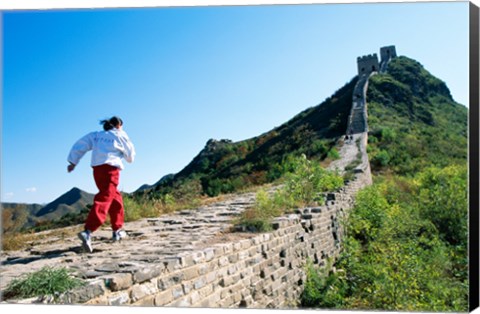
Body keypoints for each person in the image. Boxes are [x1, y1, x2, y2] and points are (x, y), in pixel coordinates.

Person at [67, 116, 135, 253]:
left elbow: (80, 145)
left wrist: (73, 162)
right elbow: (130, 157)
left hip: (97, 170)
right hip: (111, 169)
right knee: (105, 197)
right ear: (119, 125)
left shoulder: (96, 135)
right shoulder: (120, 135)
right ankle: (89, 230)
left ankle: (117, 229)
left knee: (115, 198)